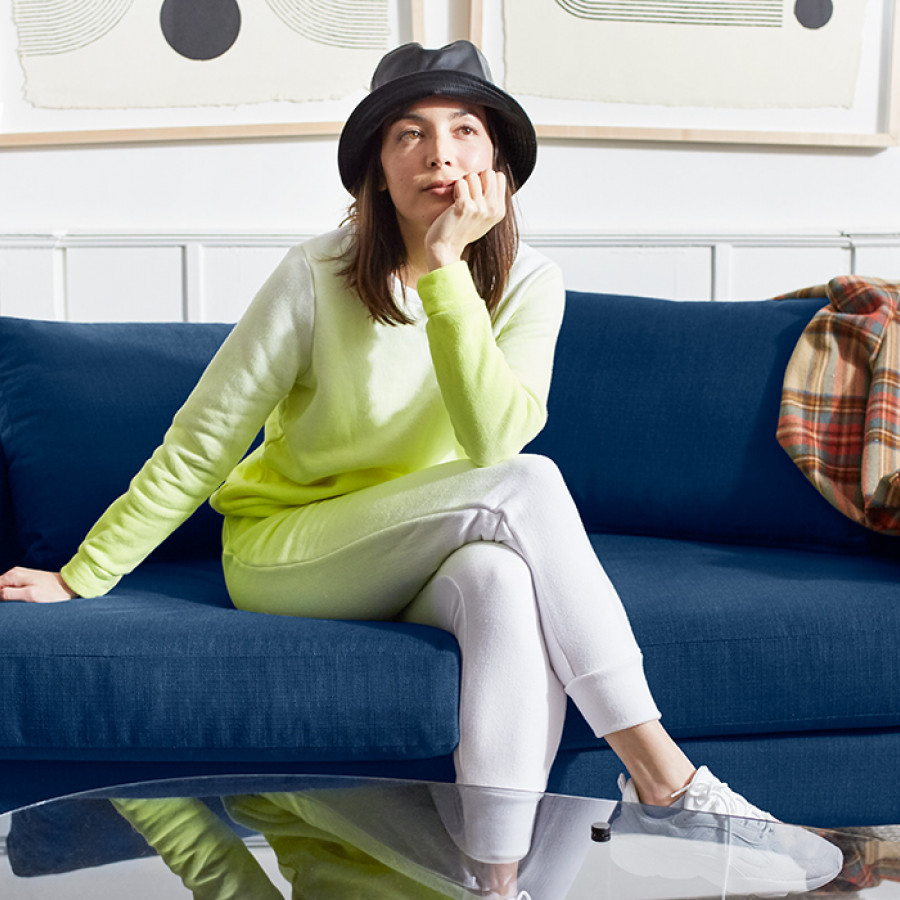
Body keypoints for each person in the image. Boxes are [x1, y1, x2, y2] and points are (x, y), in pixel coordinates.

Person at [0, 40, 841, 897]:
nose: (440, 154)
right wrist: (82, 574)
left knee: (500, 581)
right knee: (530, 484)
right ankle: (666, 780)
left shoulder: (530, 282)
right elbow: (204, 439)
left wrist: (448, 278)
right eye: (410, 134)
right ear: (377, 168)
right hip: (290, 551)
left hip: (426, 551)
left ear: (497, 163)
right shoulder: (315, 275)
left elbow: (490, 436)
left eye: (464, 130)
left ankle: (496, 877)